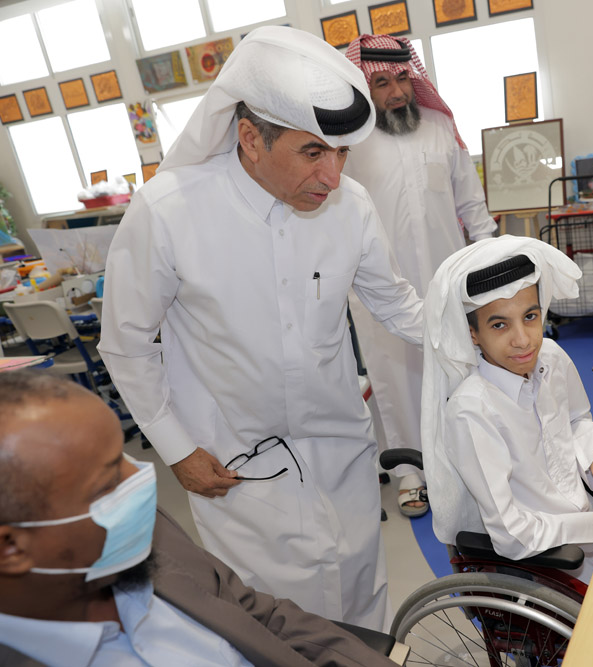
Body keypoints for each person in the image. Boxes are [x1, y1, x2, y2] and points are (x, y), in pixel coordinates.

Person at [97, 26, 423, 629]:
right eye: (313, 153)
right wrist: (177, 450)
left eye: (342, 154)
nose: (332, 177)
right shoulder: (168, 211)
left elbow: (396, 304)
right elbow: (126, 342)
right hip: (236, 467)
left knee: (362, 601)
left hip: (341, 452)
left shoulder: (350, 206)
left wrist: (478, 328)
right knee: (275, 624)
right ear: (250, 138)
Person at [0, 372, 398, 667]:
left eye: (124, 458)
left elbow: (261, 616)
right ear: (11, 547)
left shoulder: (152, 541)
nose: (140, 481)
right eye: (107, 484)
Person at [344, 34, 497, 518]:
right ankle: (410, 472)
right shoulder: (348, 140)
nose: (396, 93)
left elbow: (471, 203)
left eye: (403, 79)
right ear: (364, 87)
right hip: (379, 286)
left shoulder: (439, 126)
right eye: (382, 83)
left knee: (458, 366)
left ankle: (465, 460)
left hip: (447, 276)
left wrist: (493, 262)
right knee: (395, 377)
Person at [421, 236, 593, 583]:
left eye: (530, 317)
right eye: (499, 325)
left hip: (590, 516)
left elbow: (576, 419)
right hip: (548, 559)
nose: (523, 339)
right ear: (473, 334)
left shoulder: (552, 357)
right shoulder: (472, 412)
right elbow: (511, 534)